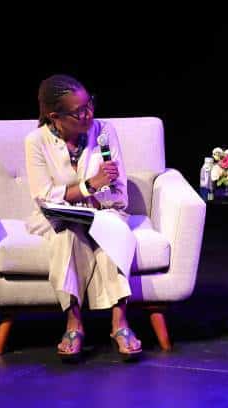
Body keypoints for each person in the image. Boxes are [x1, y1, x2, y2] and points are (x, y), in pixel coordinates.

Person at [24, 74, 142, 362]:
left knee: (110, 230)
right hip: (62, 217)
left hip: (105, 210)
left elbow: (118, 194)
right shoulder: (36, 141)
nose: (89, 114)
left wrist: (95, 192)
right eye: (79, 111)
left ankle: (120, 322)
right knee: (67, 235)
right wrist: (91, 185)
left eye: (89, 105)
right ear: (55, 117)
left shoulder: (104, 131)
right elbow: (45, 196)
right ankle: (73, 323)